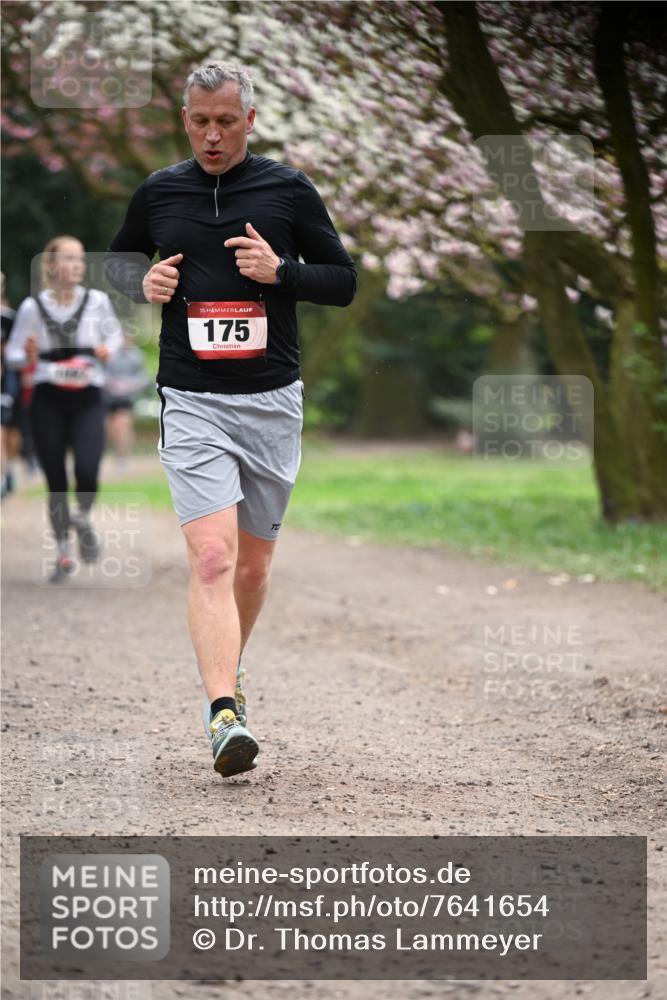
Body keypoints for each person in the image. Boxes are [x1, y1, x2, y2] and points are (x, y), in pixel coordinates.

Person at [106, 61, 356, 778]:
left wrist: (283, 273)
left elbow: (343, 282)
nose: (212, 135)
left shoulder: (287, 189)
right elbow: (119, 263)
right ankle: (223, 713)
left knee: (252, 566)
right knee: (211, 557)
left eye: (225, 121)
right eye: (199, 121)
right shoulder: (159, 191)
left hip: (272, 400)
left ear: (249, 120)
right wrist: (142, 282)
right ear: (184, 119)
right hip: (191, 399)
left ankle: (230, 674)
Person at [5, 236, 123, 581]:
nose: (77, 266)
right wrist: (25, 354)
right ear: (52, 265)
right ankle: (62, 554)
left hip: (87, 397)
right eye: (69, 259)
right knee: (56, 480)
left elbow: (114, 337)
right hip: (48, 399)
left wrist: (105, 349)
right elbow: (12, 354)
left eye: (81, 260)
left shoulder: (96, 301)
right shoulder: (32, 307)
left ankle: (83, 518)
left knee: (87, 469)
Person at [103, 332, 151, 466]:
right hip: (108, 396)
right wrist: (112, 383)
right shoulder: (109, 353)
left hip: (126, 398)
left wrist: (129, 384)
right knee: (110, 428)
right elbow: (101, 372)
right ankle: (117, 452)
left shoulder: (137, 356)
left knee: (123, 425)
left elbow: (144, 378)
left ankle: (122, 456)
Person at [1, 272, 20, 499]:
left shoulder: (9, 318)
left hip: (6, 383)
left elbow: (19, 353)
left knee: (7, 434)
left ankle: (5, 472)